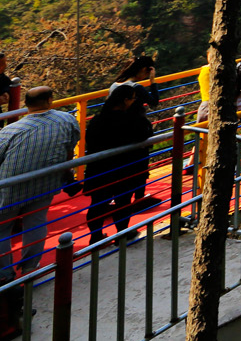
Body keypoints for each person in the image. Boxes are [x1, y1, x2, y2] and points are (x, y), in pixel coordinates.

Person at [0, 87, 80, 281]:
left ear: (25, 104)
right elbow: (69, 151)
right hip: (47, 181)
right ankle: (30, 268)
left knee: (2, 228)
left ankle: (5, 275)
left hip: (10, 188)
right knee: (36, 222)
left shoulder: (10, 130)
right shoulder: (67, 120)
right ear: (50, 100)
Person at [84, 84, 152, 242]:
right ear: (126, 100)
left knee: (98, 203)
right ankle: (122, 234)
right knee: (123, 201)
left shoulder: (97, 119)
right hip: (124, 169)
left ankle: (95, 237)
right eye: (133, 99)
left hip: (99, 168)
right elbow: (145, 135)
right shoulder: (131, 120)